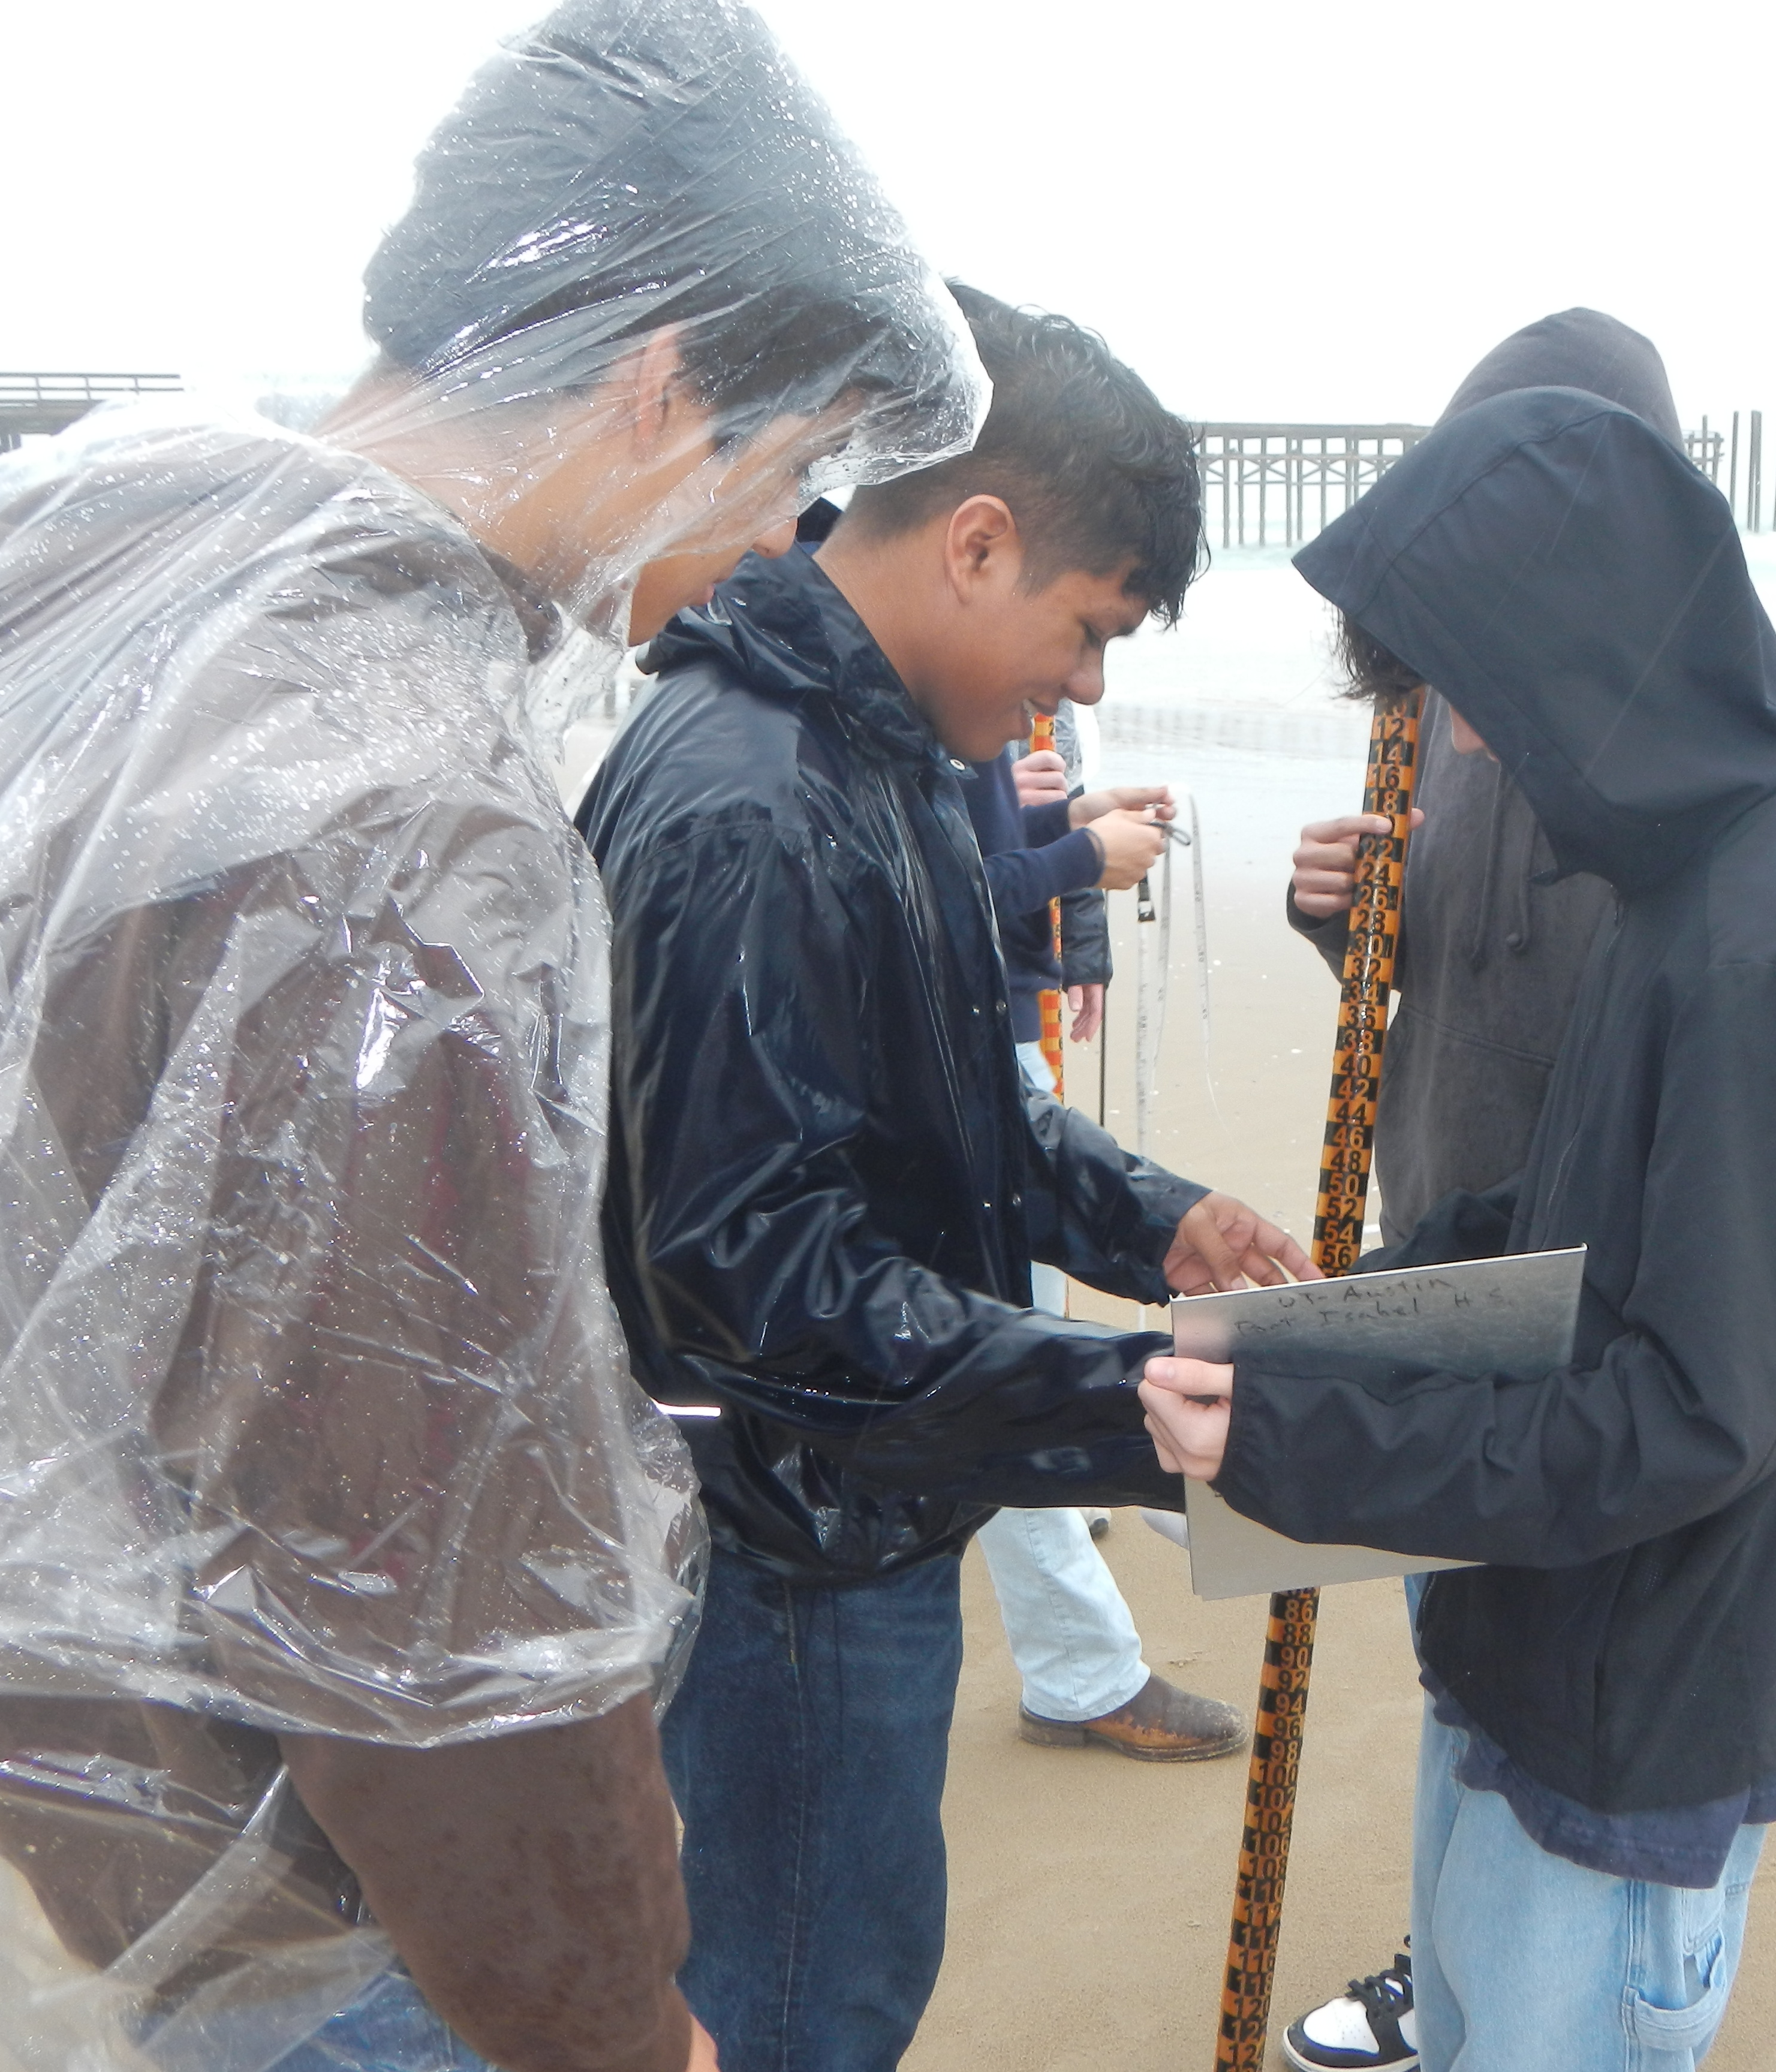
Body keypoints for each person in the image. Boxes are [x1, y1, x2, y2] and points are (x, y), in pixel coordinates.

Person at [0, 8, 986, 2072]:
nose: (785, 542)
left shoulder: (150, 639)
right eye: (792, 470)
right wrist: (617, 2020)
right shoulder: (386, 822)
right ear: (655, 383)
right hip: (358, 1902)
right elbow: (429, 1583)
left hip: (136, 1794)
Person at [1138, 386, 1776, 2071]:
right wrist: (1328, 1330)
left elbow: (1692, 1409)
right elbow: (1579, 1215)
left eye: (1477, 702)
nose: (1473, 748)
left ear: (1582, 651)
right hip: (1545, 1653)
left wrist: (1321, 1449)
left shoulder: (1771, 933)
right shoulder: (1696, 866)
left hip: (1628, 1719)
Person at [580, 282, 1313, 2071]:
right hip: (793, 1543)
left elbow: (958, 1116)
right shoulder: (752, 803)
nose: (1086, 681)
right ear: (977, 545)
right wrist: (1120, 1394)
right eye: (1087, 627)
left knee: (838, 1953)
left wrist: (1161, 1227)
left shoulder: (890, 756)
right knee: (810, 1986)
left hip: (875, 1493)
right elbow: (752, 1279)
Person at [1275, 307, 1683, 2072]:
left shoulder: (1680, 742)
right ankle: (1455, 1978)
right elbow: (1440, 975)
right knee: (1460, 1667)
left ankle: (1567, 2004)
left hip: (1599, 1299)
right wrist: (1341, 921)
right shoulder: (1438, 706)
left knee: (1573, 1690)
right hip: (1438, 1233)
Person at [1285, 309, 1681, 1248]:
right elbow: (1405, 965)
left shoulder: (1679, 744)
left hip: (1587, 1240)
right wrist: (1338, 906)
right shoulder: (1420, 696)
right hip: (1417, 1198)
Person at [958, 742, 1245, 1760]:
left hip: (1001, 1017)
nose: (1082, 676)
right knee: (1005, 1354)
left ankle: (1088, 1493)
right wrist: (1078, 856)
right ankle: (1081, 1674)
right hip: (972, 1033)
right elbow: (931, 882)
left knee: (1028, 1327)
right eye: (1082, 629)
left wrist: (1068, 826)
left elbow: (963, 841)